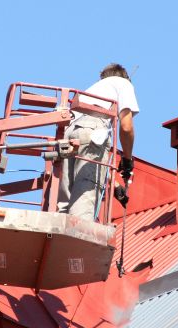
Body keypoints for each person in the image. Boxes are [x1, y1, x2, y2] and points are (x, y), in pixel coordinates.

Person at [57, 63, 139, 221]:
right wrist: (127, 159)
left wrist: (114, 185)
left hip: (69, 134)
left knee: (66, 203)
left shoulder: (91, 90)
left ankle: (60, 237)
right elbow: (126, 127)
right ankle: (78, 239)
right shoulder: (124, 83)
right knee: (83, 202)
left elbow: (86, 149)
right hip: (94, 129)